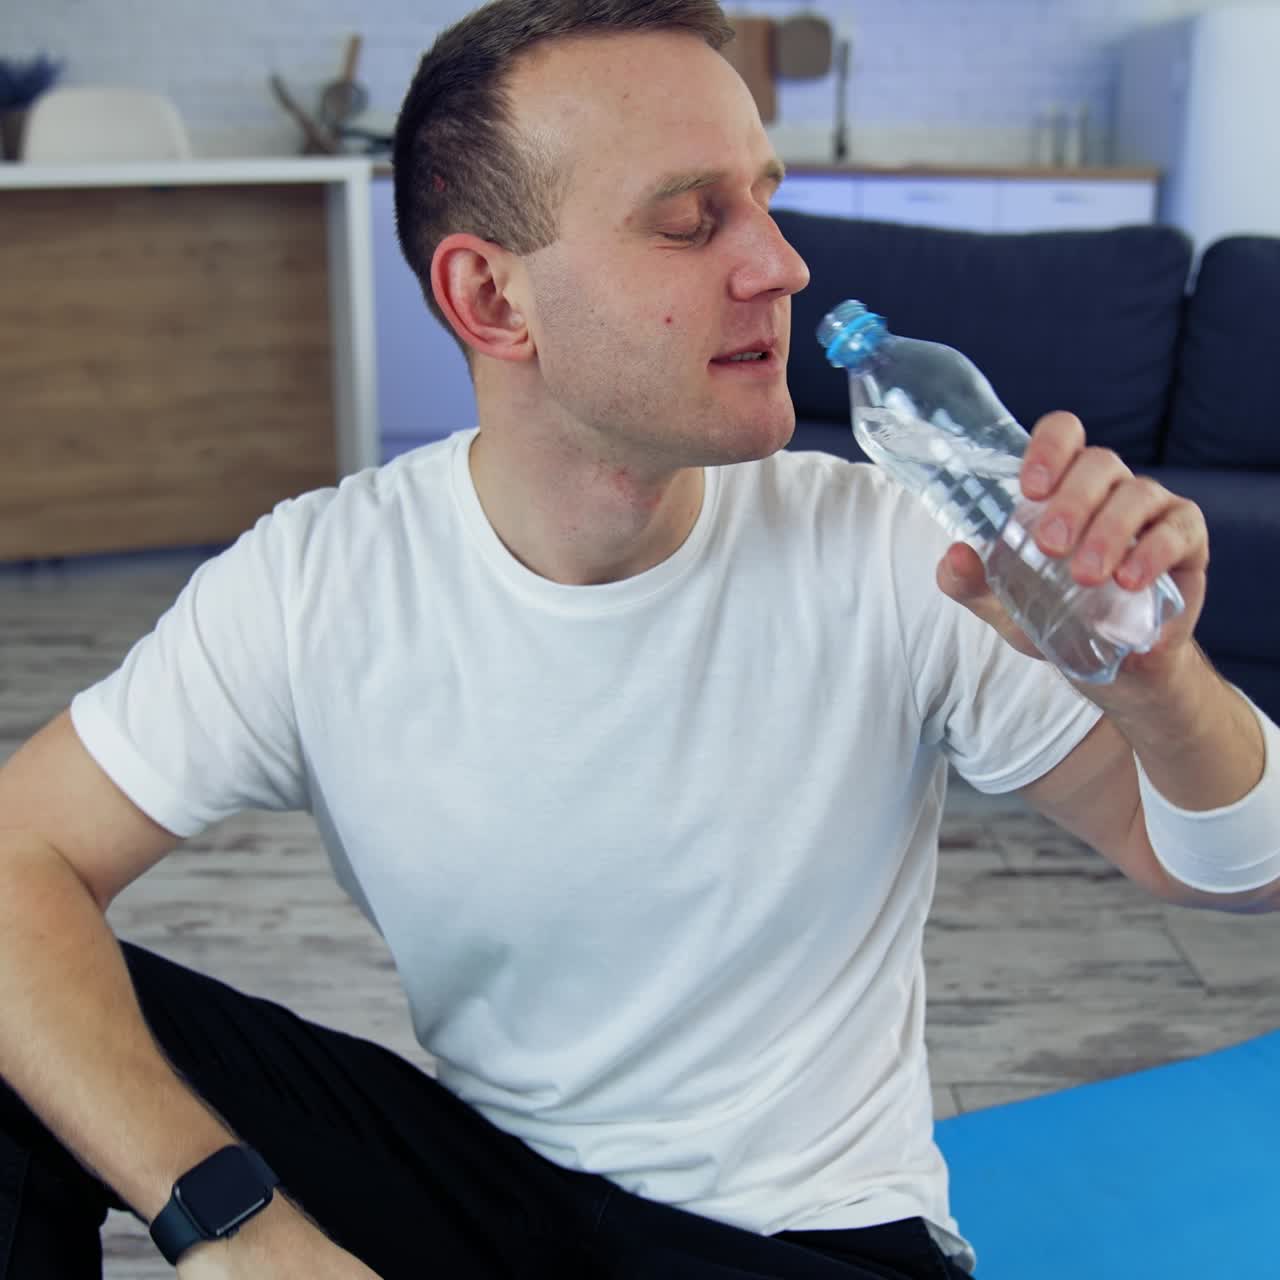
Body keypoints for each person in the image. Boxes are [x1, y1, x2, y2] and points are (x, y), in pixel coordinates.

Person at [1, 1, 1277, 1277]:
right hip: (493, 1192)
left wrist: (1160, 685)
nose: (781, 264)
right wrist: (236, 1224)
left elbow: (1238, 872)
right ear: (491, 296)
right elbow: (19, 857)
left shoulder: (892, 551)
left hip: (805, 1236)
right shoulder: (316, 579)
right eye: (689, 219)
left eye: (764, 199)